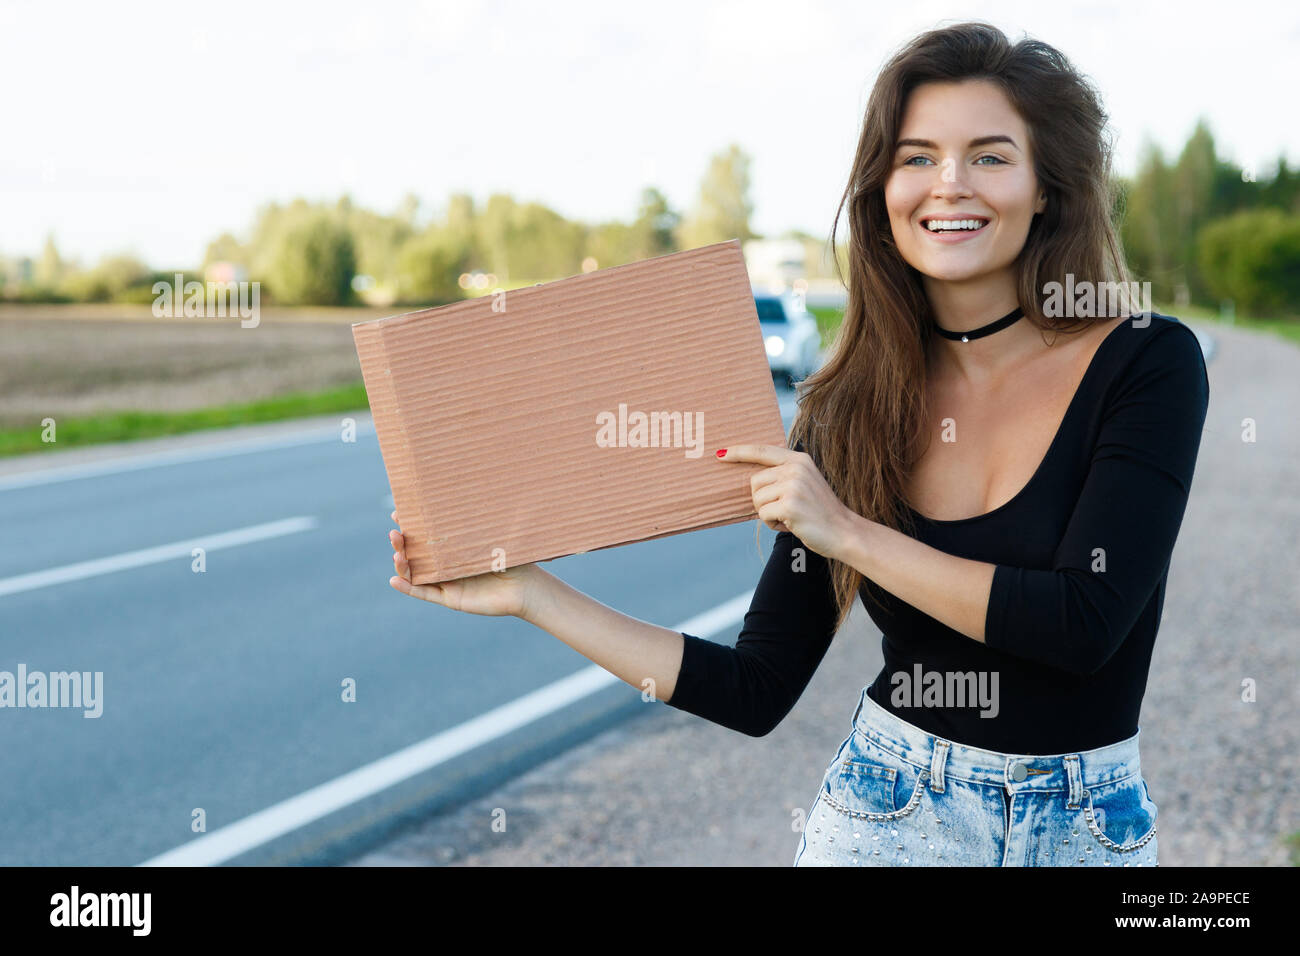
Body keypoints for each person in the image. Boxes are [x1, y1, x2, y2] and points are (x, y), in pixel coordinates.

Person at [386, 21, 1210, 867]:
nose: (949, 185)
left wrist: (848, 533)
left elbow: (1083, 624)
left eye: (990, 156)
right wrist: (532, 592)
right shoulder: (850, 407)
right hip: (887, 819)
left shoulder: (1146, 361)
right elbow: (756, 688)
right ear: (882, 188)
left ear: (1046, 187)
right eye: (917, 156)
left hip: (1089, 828)